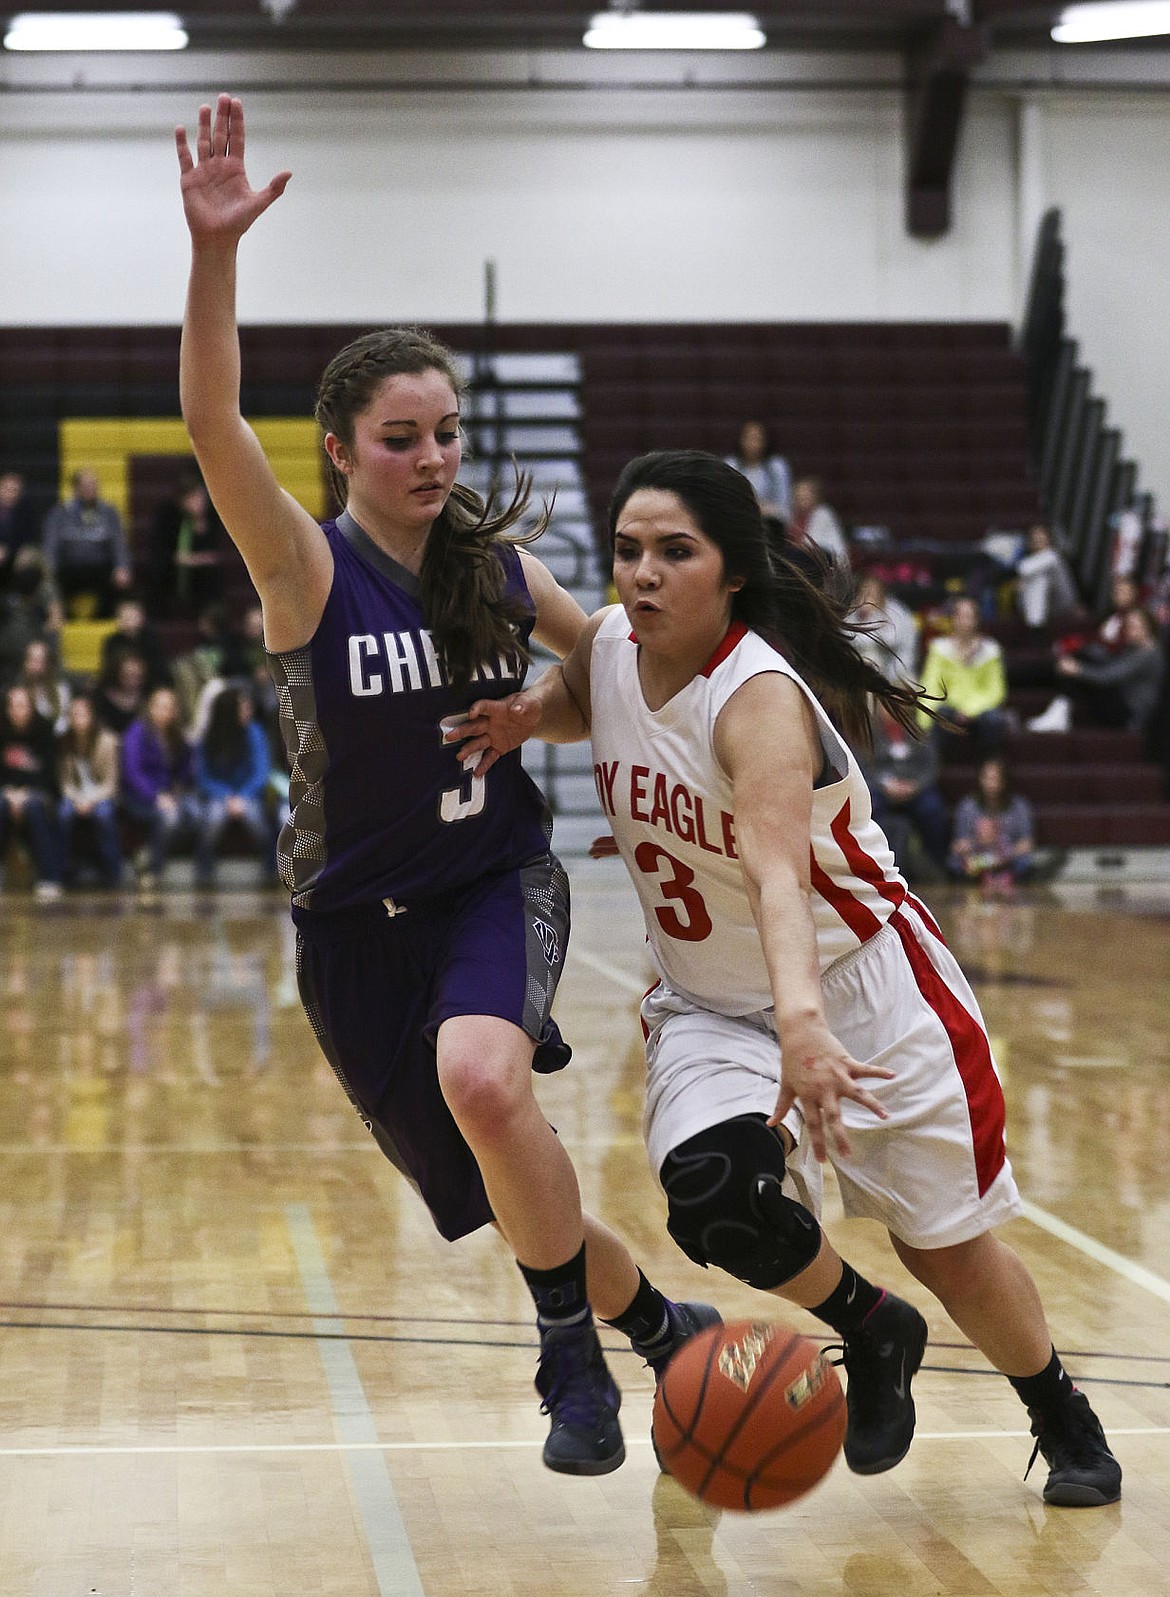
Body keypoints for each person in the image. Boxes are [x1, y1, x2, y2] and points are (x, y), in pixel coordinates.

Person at [173, 93, 715, 1477]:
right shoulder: (305, 567)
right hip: (350, 925)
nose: (432, 459)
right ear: (341, 451)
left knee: (484, 1078)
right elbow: (208, 413)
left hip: (487, 880)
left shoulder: (490, 563)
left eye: (449, 433)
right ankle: (654, 1322)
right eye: (402, 438)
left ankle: (568, 1368)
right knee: (497, 1185)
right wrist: (214, 250)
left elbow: (616, 654)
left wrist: (542, 706)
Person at [458, 449, 1122, 1508]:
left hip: (863, 985)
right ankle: (871, 1321)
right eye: (629, 550)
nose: (643, 572)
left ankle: (1059, 1410)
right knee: (715, 1197)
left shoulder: (755, 695)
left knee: (946, 1249)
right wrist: (528, 714)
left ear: (731, 571)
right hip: (710, 1004)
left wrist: (806, 1026)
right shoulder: (616, 643)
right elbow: (583, 690)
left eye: (676, 552)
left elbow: (776, 875)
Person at [192, 682, 277, 886]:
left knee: (257, 821)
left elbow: (261, 772)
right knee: (213, 819)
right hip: (219, 796)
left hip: (248, 795)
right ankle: (204, 870)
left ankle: (272, 869)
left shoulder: (255, 731)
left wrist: (242, 797)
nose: (248, 710)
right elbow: (203, 776)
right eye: (243, 706)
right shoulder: (209, 736)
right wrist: (226, 796)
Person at [119, 683, 203, 889]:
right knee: (170, 818)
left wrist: (191, 750)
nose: (167, 712)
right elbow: (133, 773)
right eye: (162, 706)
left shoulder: (177, 734)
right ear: (151, 707)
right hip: (138, 797)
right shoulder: (136, 732)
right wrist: (156, 796)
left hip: (171, 794)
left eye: (171, 707)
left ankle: (149, 852)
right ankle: (152, 869)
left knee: (198, 813)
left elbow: (184, 773)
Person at [860, 700, 950, 880]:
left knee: (932, 809)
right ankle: (872, 867)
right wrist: (885, 785)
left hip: (915, 789)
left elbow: (931, 766)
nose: (893, 709)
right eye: (887, 704)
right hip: (883, 789)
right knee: (869, 806)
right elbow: (863, 766)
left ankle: (937, 865)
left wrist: (915, 785)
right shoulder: (869, 732)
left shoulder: (919, 729)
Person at [920, 593, 1010, 758]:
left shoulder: (990, 651)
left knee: (993, 720)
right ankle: (935, 776)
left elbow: (996, 690)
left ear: (977, 619)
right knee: (937, 717)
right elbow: (930, 685)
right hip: (949, 708)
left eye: (969, 616)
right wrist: (923, 722)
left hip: (980, 710)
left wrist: (969, 710)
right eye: (960, 615)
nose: (965, 621)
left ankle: (989, 772)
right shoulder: (940, 649)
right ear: (953, 618)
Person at [1053, 606, 1164, 736]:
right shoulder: (1136, 648)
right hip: (1122, 702)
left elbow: (1109, 676)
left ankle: (1060, 709)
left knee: (1079, 668)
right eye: (1127, 626)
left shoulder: (1148, 653)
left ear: (1147, 627)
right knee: (1080, 659)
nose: (1128, 630)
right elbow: (1111, 663)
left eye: (1133, 626)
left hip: (1129, 715)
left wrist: (1077, 669)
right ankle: (1060, 707)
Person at [0, 682, 65, 900]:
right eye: (14, 706)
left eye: (24, 705)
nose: (19, 710)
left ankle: (48, 877)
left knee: (35, 806)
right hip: (6, 791)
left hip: (38, 792)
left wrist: (25, 791)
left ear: (32, 707)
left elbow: (48, 775)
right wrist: (9, 791)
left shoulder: (45, 729)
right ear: (8, 709)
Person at [40, 468, 134, 618]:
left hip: (100, 567)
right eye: (87, 485)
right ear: (76, 488)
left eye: (94, 485)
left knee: (122, 579)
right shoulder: (60, 512)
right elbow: (50, 545)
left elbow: (118, 543)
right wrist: (48, 571)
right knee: (49, 582)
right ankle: (64, 618)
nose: (92, 489)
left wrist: (122, 567)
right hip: (70, 567)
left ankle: (105, 619)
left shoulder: (109, 511)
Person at [57, 691, 124, 888]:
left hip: (102, 795)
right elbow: (65, 782)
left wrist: (91, 800)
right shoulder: (64, 742)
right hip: (75, 796)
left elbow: (111, 783)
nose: (78, 719)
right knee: (63, 813)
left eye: (82, 714)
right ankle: (62, 871)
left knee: (104, 815)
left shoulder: (108, 740)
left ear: (92, 716)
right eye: (73, 714)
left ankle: (113, 873)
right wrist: (78, 799)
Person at [947, 757, 1036, 897]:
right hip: (977, 859)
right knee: (955, 864)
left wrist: (1002, 857)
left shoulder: (1018, 805)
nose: (990, 784)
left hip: (1007, 858)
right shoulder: (967, 806)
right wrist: (979, 842)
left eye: (995, 779)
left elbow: (1027, 844)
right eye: (987, 778)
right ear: (980, 779)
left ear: (1004, 781)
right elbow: (958, 845)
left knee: (1024, 863)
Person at [146, 471, 230, 619]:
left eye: (201, 497)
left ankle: (210, 620)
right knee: (155, 573)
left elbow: (215, 554)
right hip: (172, 570)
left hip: (197, 576)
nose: (200, 502)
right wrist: (191, 559)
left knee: (211, 576)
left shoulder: (212, 519)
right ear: (183, 501)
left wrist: (201, 528)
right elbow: (163, 552)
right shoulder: (169, 517)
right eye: (194, 498)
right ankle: (159, 618)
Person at [848, 570, 919, 685]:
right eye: (865, 591)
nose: (869, 596)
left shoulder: (897, 612)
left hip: (895, 667)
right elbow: (849, 641)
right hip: (858, 668)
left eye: (873, 592)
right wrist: (865, 618)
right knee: (869, 661)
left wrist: (878, 616)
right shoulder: (853, 611)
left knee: (908, 683)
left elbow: (899, 645)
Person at [1014, 522, 1083, 632]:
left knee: (1043, 574)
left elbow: (1023, 568)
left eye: (1041, 536)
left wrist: (1075, 604)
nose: (1038, 539)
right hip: (1029, 606)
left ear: (1049, 539)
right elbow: (1022, 573)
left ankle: (1036, 629)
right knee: (1039, 578)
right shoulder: (1027, 561)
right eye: (1035, 537)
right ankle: (1036, 629)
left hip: (1060, 604)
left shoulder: (1054, 556)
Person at [724, 420, 792, 523]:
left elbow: (785, 507)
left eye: (757, 439)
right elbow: (724, 501)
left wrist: (766, 509)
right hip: (738, 521)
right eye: (749, 438)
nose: (753, 444)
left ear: (765, 441)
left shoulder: (776, 466)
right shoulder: (731, 464)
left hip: (769, 523)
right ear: (741, 440)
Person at [787, 475, 849, 568]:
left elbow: (810, 544)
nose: (801, 500)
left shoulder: (823, 513)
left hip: (828, 560)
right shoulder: (794, 515)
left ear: (816, 496)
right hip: (805, 559)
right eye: (798, 496)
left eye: (806, 496)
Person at [15, 635, 72, 735]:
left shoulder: (62, 690)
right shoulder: (16, 692)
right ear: (25, 662)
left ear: (49, 663)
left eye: (41, 660)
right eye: (32, 660)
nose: (37, 665)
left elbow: (63, 722)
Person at [0, 470, 40, 589]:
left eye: (15, 490)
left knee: (29, 560)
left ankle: (19, 603)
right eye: (7, 489)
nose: (11, 493)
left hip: (18, 551)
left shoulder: (26, 509)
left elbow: (31, 536)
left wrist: (9, 549)